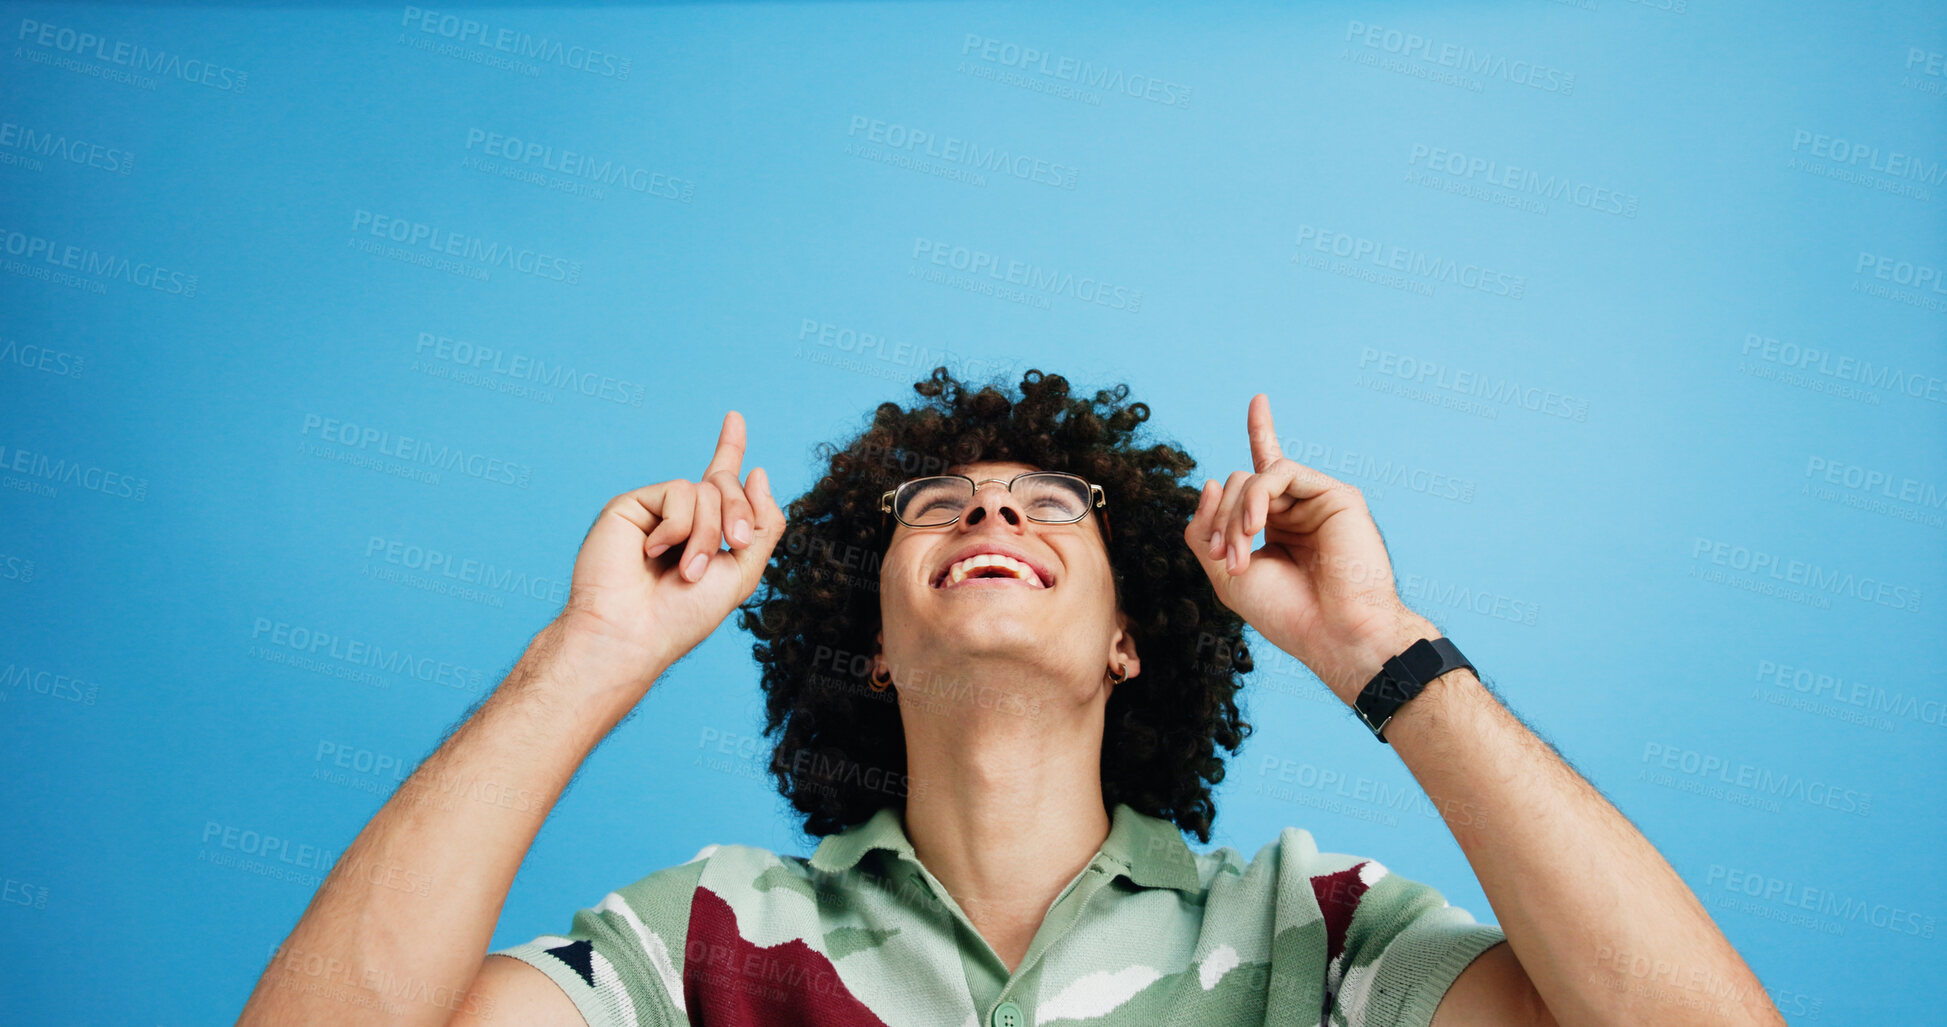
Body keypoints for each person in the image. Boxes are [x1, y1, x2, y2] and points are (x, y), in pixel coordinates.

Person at [239, 369, 1783, 1026]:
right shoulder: (700, 944)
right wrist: (588, 659)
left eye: (1052, 506)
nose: (991, 517)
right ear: (876, 647)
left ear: (1133, 639)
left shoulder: (1310, 934)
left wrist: (1379, 646)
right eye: (940, 508)